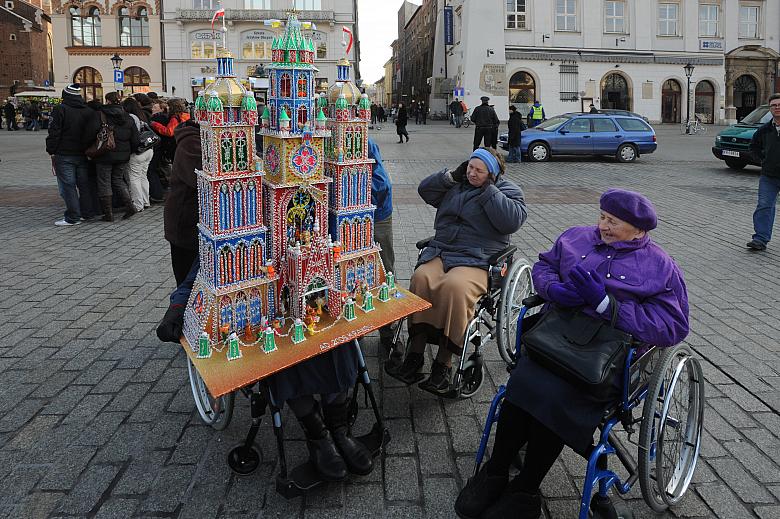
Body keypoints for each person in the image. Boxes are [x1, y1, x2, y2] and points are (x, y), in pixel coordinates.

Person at [454, 189, 689, 519]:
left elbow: (672, 327)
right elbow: (544, 267)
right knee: (522, 386)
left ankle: (526, 488)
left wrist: (608, 306)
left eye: (614, 222)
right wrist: (554, 290)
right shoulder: (576, 238)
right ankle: (496, 470)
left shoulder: (659, 267)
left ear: (639, 230)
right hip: (556, 337)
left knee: (556, 399)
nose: (604, 226)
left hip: (606, 357)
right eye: (603, 217)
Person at [388, 147, 527, 394]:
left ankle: (444, 362)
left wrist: (488, 191)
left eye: (479, 171)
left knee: (455, 287)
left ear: (492, 173)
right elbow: (425, 190)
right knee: (421, 279)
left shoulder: (508, 191)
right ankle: (415, 353)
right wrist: (451, 176)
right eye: (470, 167)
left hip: (478, 257)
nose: (472, 173)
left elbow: (511, 221)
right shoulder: (457, 185)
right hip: (442, 250)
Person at [46, 83, 100, 226]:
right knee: (84, 185)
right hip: (83, 153)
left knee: (68, 186)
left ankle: (72, 217)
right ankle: (87, 213)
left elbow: (54, 132)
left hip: (64, 153)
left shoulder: (60, 110)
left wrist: (51, 150)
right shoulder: (88, 111)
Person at [164, 119, 202, 286]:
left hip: (198, 223)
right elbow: (199, 177)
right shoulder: (191, 141)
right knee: (187, 282)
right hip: (186, 225)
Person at [368, 138, 396, 354]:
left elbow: (382, 185)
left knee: (384, 270)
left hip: (377, 215)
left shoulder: (364, 142)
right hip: (339, 215)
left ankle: (389, 331)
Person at [93, 91, 139, 222]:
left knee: (104, 182)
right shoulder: (128, 117)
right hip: (123, 155)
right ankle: (130, 206)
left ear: (107, 101)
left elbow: (91, 133)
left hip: (104, 153)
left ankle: (108, 214)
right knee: (118, 180)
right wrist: (129, 151)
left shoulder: (101, 115)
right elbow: (135, 139)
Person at [746, 93, 780, 252]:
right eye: (774, 105)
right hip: (769, 176)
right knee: (764, 206)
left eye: (779, 105)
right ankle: (760, 239)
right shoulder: (765, 130)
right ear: (770, 108)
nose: (777, 108)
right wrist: (762, 161)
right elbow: (753, 147)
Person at [122, 97, 155, 212]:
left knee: (134, 178)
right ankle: (146, 201)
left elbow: (131, 135)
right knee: (143, 176)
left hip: (138, 152)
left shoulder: (131, 117)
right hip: (148, 149)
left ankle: (138, 204)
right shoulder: (143, 116)